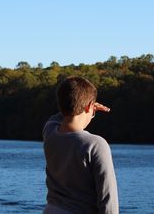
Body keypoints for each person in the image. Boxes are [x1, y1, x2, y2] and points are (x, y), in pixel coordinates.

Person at [42, 76, 119, 214]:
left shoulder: (50, 132)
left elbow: (57, 117)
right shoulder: (95, 144)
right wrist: (87, 106)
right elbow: (108, 199)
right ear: (90, 106)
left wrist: (81, 104)